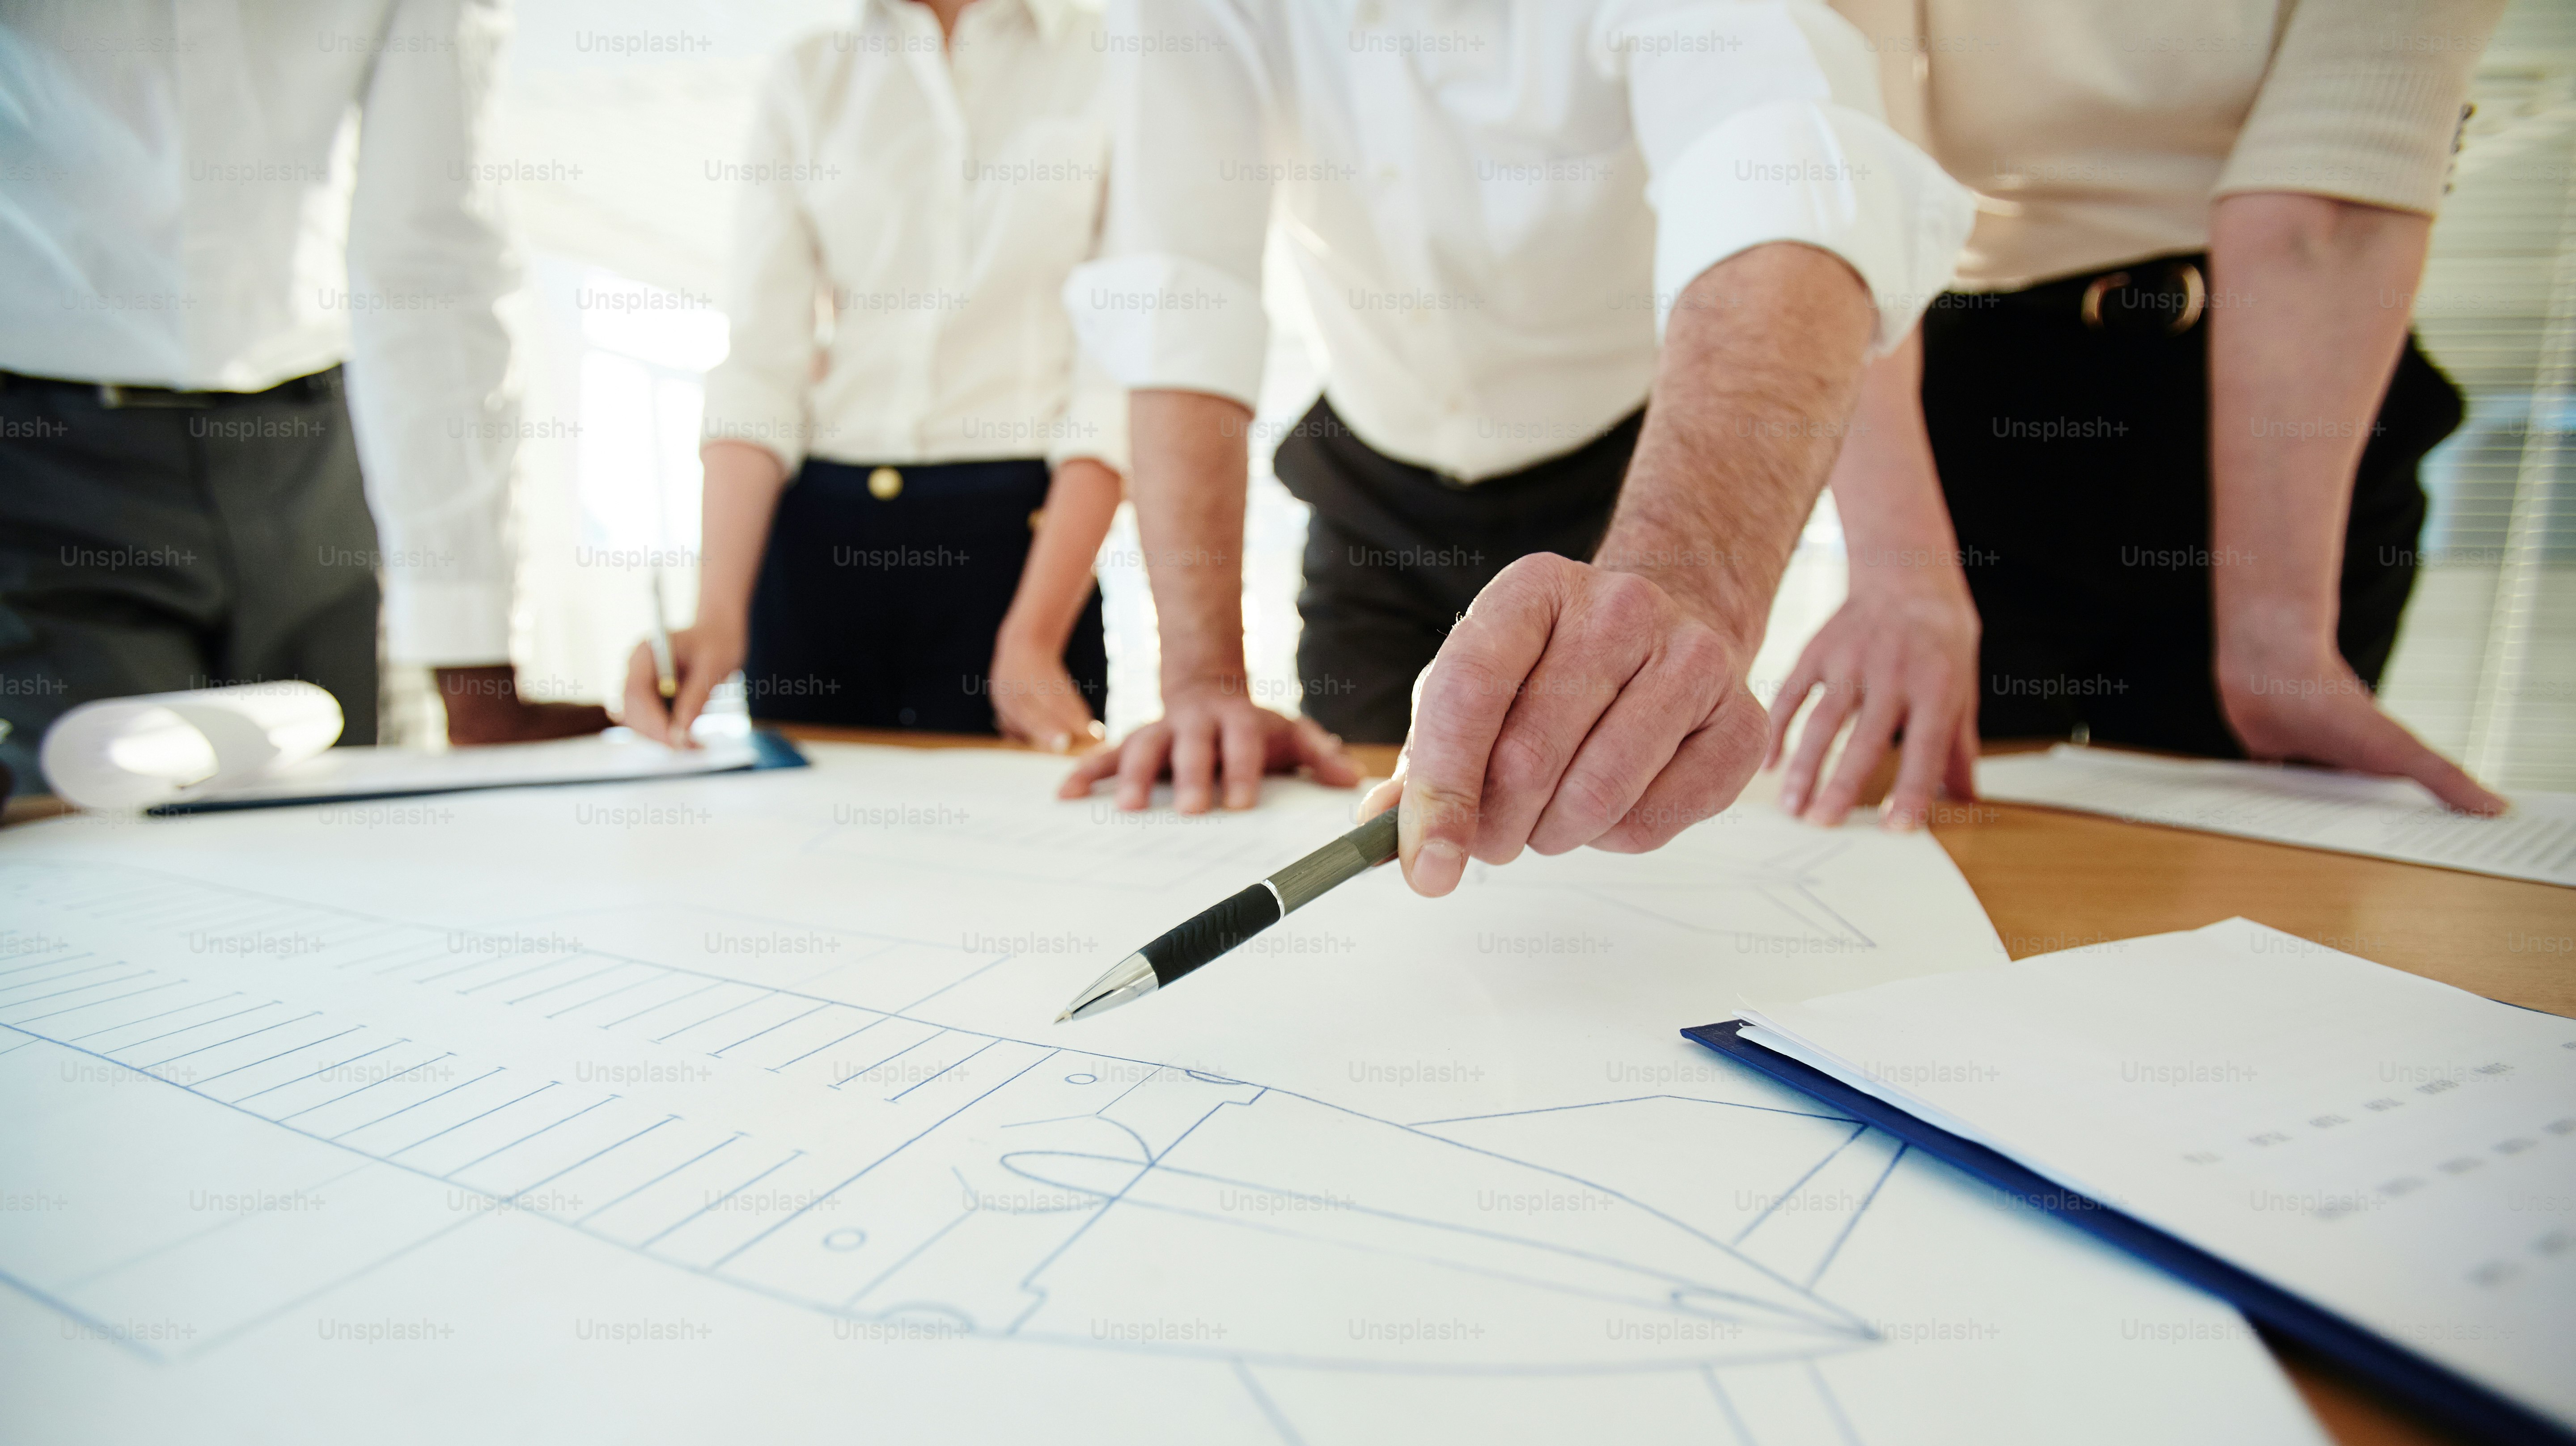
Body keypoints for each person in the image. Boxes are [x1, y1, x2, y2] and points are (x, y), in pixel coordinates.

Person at [1056, 0, 1976, 896]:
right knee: (1376, 864)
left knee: (1606, 858)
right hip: (1369, 504)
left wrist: (1689, 580)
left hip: (1634, 487)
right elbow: (1181, 290)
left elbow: (1780, 168)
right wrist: (1203, 680)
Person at [1767, 0, 2509, 827]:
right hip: (1986, 405)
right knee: (1938, 824)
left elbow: (2330, 208)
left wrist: (2280, 637)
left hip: (2303, 404)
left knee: (2244, 843)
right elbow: (1842, 184)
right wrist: (1900, 574)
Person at [0, 0, 610, 800]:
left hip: (320, 460)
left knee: (338, 824)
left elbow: (431, 261)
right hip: (45, 467)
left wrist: (475, 663)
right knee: (94, 814)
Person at [622, 0, 1124, 750]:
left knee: (1013, 818)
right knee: (799, 819)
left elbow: (1116, 379)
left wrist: (1035, 634)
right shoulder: (808, 73)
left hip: (1021, 552)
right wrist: (717, 615)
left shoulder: (1116, 57)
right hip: (815, 537)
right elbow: (762, 363)